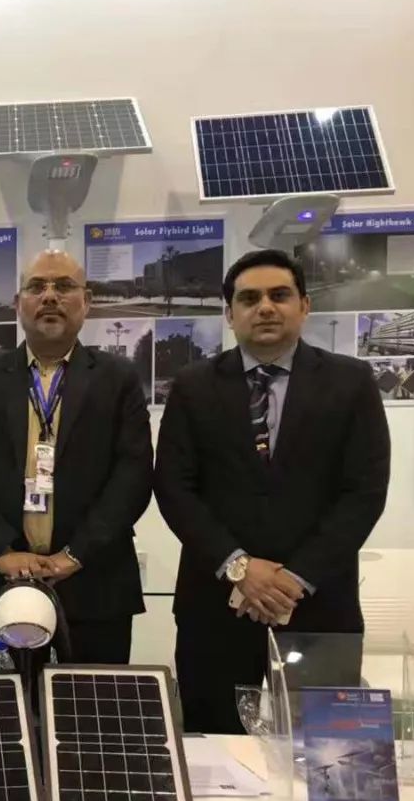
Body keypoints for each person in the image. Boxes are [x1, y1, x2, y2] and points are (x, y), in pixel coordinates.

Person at [155, 249, 391, 734]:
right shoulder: (193, 387)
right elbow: (175, 487)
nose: (265, 307)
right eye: (249, 298)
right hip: (215, 605)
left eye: (279, 295)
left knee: (328, 753)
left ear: (304, 306)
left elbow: (364, 492)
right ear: (229, 314)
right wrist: (240, 568)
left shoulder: (351, 383)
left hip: (318, 605)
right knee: (216, 750)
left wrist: (296, 578)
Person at [0, 250, 153, 667]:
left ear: (86, 301)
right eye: (37, 287)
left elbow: (132, 477)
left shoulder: (118, 379)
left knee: (95, 703)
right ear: (17, 303)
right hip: (5, 578)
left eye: (64, 286)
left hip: (95, 578)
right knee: (14, 700)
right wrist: (0, 551)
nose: (50, 296)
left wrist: (75, 555)